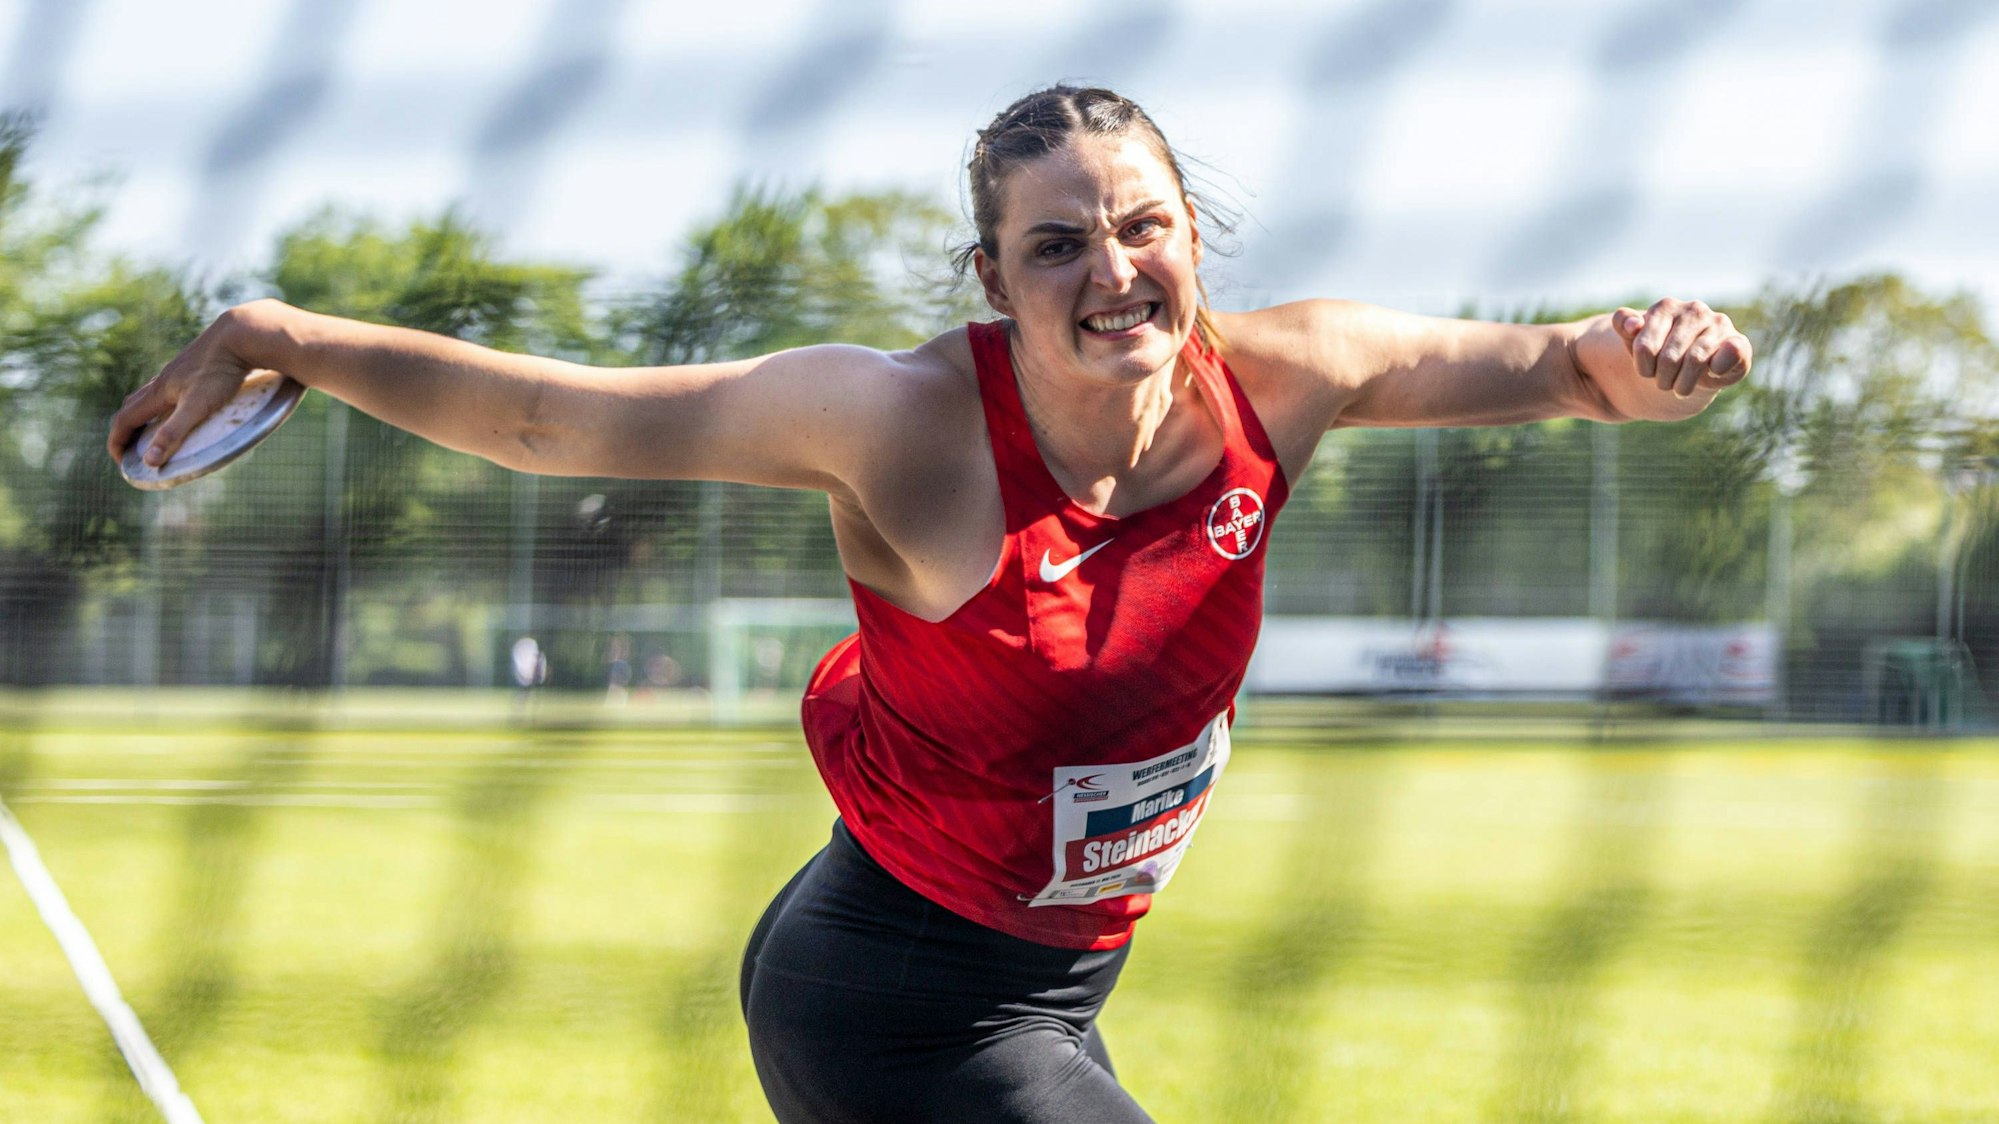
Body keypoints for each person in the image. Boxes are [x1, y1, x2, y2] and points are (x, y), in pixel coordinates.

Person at [108, 85, 1751, 1122]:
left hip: (1059, 995)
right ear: (993, 277)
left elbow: (1563, 369)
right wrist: (283, 335)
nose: (1112, 270)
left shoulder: (1293, 376)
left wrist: (1653, 362)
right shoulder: (898, 426)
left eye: (1143, 226)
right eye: (1056, 246)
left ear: (1194, 235)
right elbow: (556, 421)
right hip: (895, 1001)